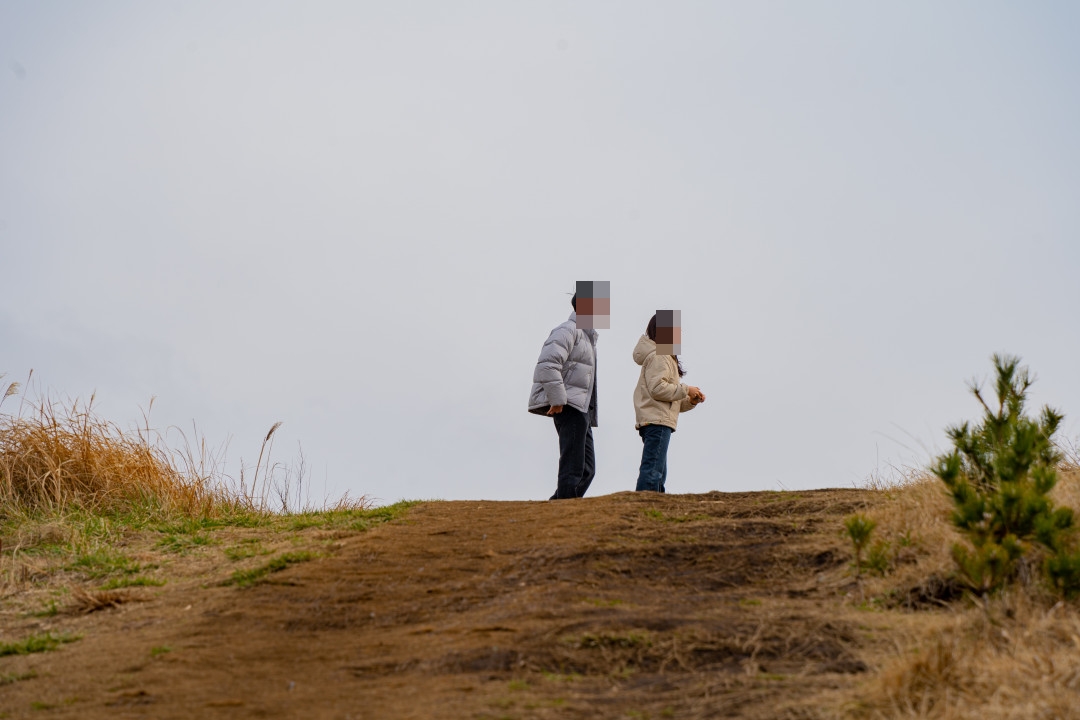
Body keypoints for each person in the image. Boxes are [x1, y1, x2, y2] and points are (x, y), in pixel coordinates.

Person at [528, 294, 598, 499]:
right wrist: (558, 400)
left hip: (582, 409)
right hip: (568, 405)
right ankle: (565, 511)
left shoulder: (588, 338)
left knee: (587, 469)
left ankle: (557, 507)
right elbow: (547, 365)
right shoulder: (568, 330)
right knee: (573, 466)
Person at [632, 313, 705, 492]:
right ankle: (645, 505)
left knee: (658, 470)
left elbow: (671, 401)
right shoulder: (660, 355)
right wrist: (686, 389)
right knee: (653, 470)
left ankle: (655, 507)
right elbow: (658, 389)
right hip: (657, 421)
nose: (679, 334)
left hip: (658, 420)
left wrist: (691, 400)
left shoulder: (665, 356)